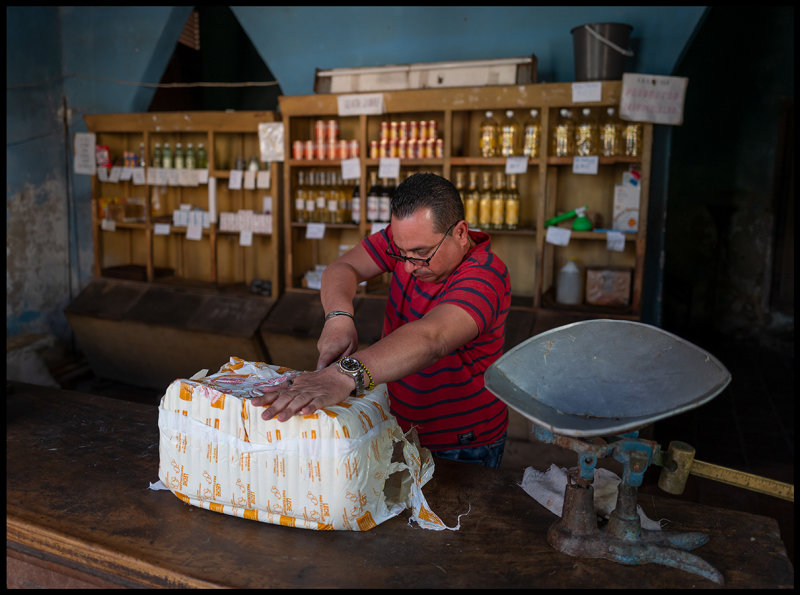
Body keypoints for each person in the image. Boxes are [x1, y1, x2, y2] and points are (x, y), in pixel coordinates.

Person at [251, 172, 511, 468]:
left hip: (462, 442)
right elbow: (344, 266)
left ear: (461, 233)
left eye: (421, 254)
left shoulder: (486, 274)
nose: (410, 266)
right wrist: (338, 318)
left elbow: (432, 338)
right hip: (396, 422)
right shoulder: (409, 240)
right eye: (402, 254)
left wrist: (343, 375)